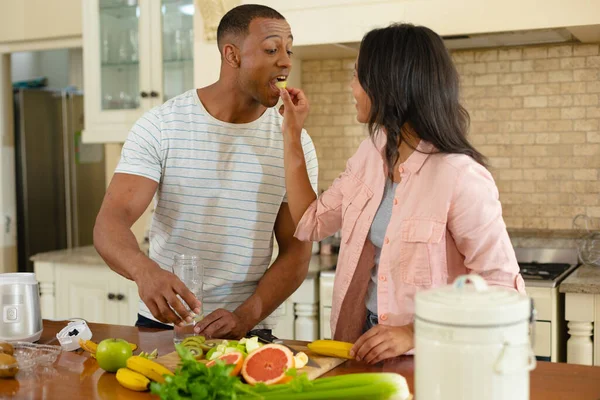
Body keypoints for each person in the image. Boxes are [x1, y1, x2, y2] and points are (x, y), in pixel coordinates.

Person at [278, 23, 525, 364]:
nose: (351, 86)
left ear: (388, 83)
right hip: (362, 339)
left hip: (434, 352)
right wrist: (292, 132)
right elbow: (311, 221)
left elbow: (503, 288)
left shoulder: (460, 176)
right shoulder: (371, 154)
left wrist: (412, 333)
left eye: (357, 75)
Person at [94, 4, 318, 339]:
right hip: (166, 324)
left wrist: (246, 315)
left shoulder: (293, 142)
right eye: (272, 49)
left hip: (250, 329)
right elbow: (110, 222)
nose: (286, 61)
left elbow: (297, 252)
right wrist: (146, 273)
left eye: (288, 50)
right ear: (232, 55)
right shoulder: (162, 125)